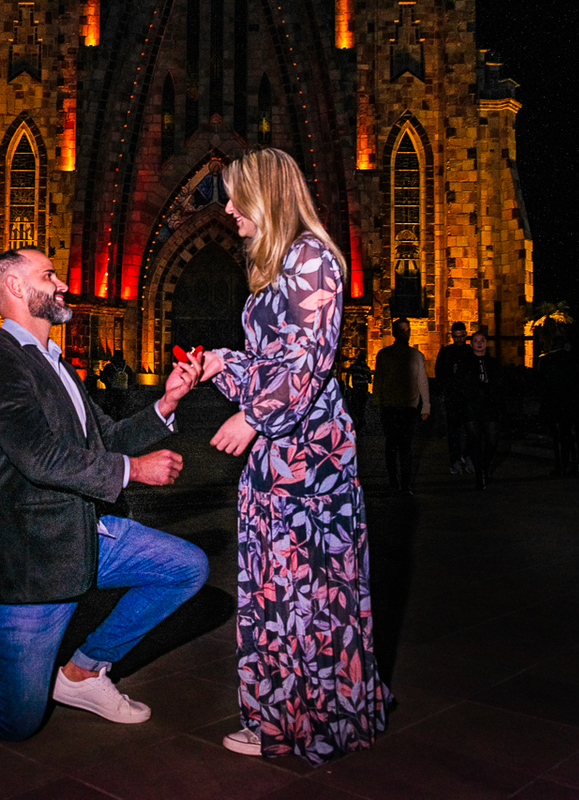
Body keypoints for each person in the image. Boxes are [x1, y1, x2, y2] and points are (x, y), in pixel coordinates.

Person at [0, 247, 209, 742]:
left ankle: (85, 671)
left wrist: (167, 402)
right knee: (16, 719)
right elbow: (39, 456)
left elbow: (104, 439)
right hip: (31, 555)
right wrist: (132, 470)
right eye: (49, 275)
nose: (63, 284)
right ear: (14, 288)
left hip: (89, 536)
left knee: (186, 568)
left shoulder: (59, 366)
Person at [199, 148, 390, 765]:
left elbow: (307, 362)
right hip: (282, 455)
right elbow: (272, 364)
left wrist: (252, 416)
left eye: (236, 197)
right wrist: (218, 366)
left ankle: (298, 723)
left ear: (268, 196)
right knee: (281, 586)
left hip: (307, 462)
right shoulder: (282, 264)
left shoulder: (310, 257)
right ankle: (291, 713)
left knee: (304, 591)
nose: (228, 210)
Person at [373, 317, 431, 493]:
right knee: (392, 445)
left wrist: (426, 404)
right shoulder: (384, 355)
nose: (405, 333)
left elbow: (422, 381)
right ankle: (394, 480)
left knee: (404, 446)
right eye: (402, 330)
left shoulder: (416, 356)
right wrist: (377, 403)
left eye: (407, 330)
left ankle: (404, 483)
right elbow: (378, 381)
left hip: (408, 407)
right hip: (390, 405)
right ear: (394, 333)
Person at [456, 330, 504, 489]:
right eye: (476, 340)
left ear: (486, 343)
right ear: (471, 344)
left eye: (482, 340)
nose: (479, 343)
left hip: (489, 406)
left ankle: (484, 467)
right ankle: (479, 474)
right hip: (472, 406)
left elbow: (499, 383)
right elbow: (462, 384)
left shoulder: (494, 363)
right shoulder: (465, 363)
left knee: (492, 439)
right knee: (475, 441)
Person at [537, 337, 579, 476]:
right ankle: (576, 466)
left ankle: (560, 466)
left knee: (558, 436)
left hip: (554, 403)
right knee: (574, 434)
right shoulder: (576, 360)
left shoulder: (546, 361)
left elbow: (540, 381)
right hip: (573, 402)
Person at [434, 321, 473, 474]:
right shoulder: (446, 352)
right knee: (454, 431)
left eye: (461, 336)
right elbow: (439, 374)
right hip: (452, 396)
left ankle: (467, 457)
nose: (459, 340)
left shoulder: (470, 351)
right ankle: (455, 460)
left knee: (471, 429)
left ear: (465, 335)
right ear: (452, 336)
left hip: (468, 396)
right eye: (456, 337)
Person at [100, 351, 135, 418]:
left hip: (111, 393)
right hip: (123, 394)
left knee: (108, 413)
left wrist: (108, 384)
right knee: (121, 413)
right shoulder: (127, 368)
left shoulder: (109, 367)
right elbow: (131, 381)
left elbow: (103, 378)